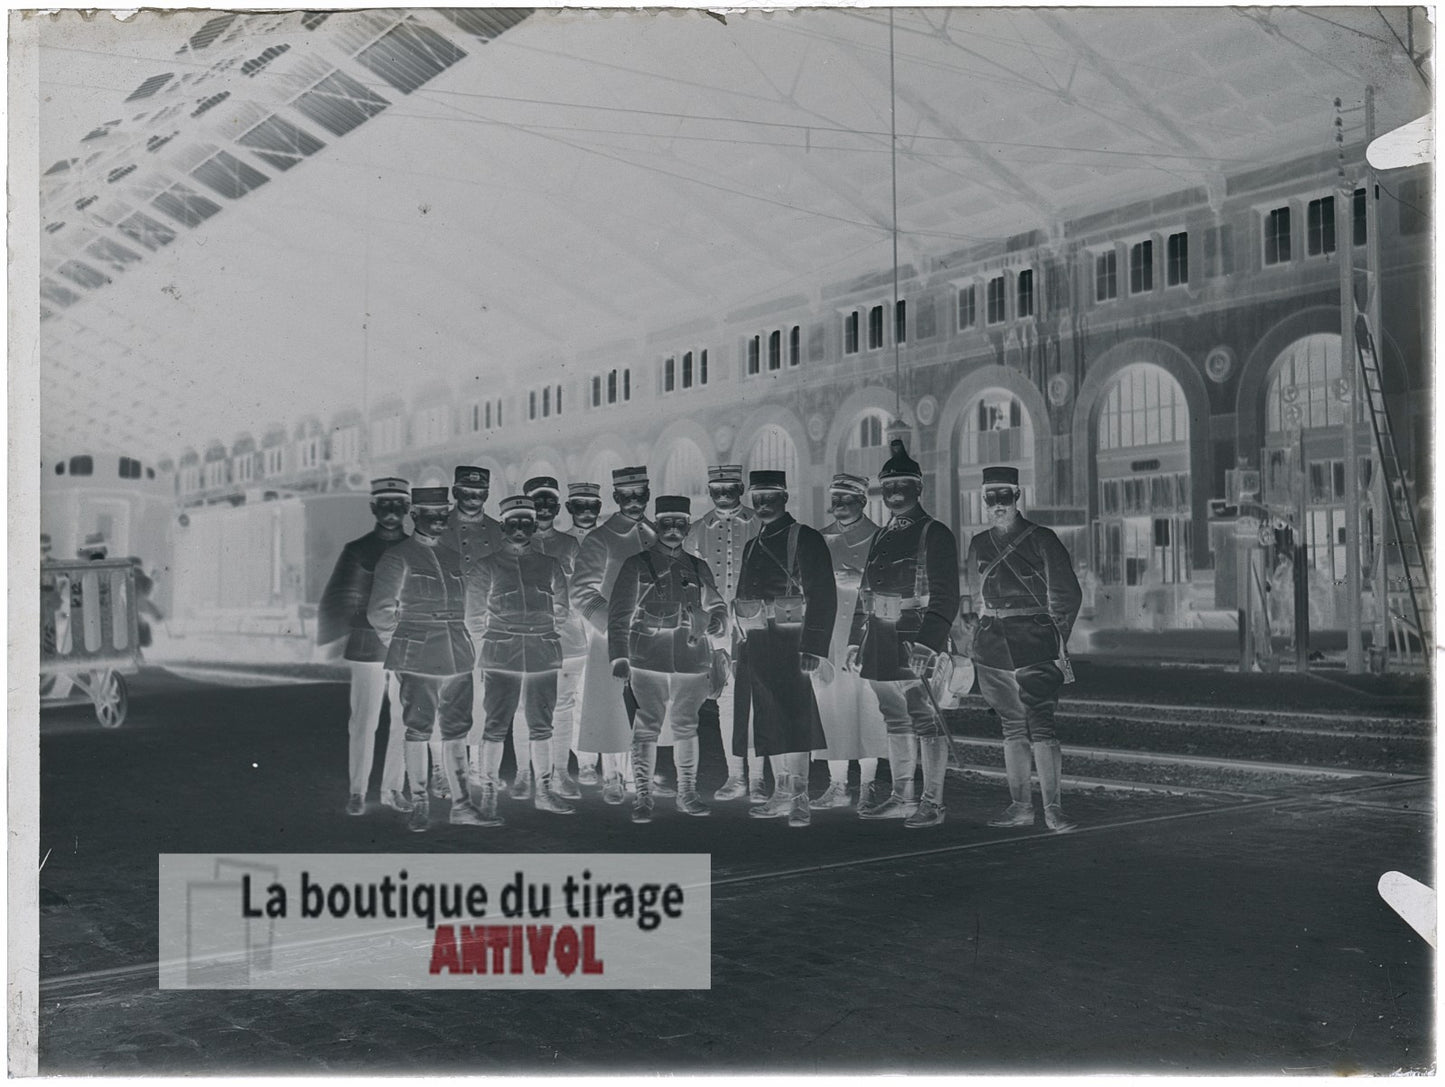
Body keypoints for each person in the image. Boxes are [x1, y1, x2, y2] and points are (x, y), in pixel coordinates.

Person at [959, 465, 1083, 833]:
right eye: (990, 498)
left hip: (1036, 642)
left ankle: (1054, 809)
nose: (997, 505)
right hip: (993, 645)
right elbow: (971, 596)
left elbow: (1068, 595)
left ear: (1017, 497)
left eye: (1004, 496)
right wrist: (972, 630)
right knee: (1012, 728)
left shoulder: (1042, 538)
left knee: (1042, 727)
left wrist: (1052, 635)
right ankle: (1019, 806)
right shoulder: (978, 544)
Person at [847, 437, 959, 829]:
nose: (894, 493)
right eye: (888, 487)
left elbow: (946, 598)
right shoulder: (882, 535)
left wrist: (929, 645)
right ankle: (900, 795)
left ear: (918, 488)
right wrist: (853, 640)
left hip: (914, 640)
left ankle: (933, 802)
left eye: (902, 486)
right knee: (893, 720)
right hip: (877, 639)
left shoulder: (935, 533)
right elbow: (864, 593)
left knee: (924, 718)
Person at [368, 486, 488, 831]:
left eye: (442, 514)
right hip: (416, 655)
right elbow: (379, 611)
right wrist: (404, 643)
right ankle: (420, 801)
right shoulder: (397, 556)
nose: (437, 520)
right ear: (414, 515)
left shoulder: (452, 557)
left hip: (457, 653)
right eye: (430, 514)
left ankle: (462, 803)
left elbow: (465, 608)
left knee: (457, 729)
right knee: (418, 729)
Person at [610, 496, 728, 822]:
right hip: (647, 658)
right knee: (646, 726)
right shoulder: (636, 564)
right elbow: (618, 615)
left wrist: (717, 621)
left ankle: (687, 793)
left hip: (691, 660)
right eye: (666, 523)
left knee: (687, 726)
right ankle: (643, 796)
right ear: (656, 524)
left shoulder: (698, 566)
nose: (673, 530)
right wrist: (619, 657)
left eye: (680, 524)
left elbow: (717, 606)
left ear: (688, 527)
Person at [733, 469, 836, 828]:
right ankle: (779, 791)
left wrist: (814, 646)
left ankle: (800, 796)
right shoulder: (752, 543)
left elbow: (823, 595)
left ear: (785, 497)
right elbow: (743, 593)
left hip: (793, 639)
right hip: (759, 638)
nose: (762, 503)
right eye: (757, 497)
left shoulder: (805, 538)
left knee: (795, 715)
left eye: (770, 496)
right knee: (767, 715)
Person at [467, 495, 574, 820]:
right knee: (496, 725)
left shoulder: (550, 565)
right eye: (512, 522)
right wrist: (507, 634)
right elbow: (474, 618)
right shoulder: (486, 566)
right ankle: (488, 794)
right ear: (503, 526)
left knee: (542, 724)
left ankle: (544, 791)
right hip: (502, 657)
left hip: (542, 654)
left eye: (525, 521)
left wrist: (536, 632)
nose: (519, 528)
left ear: (533, 524)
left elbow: (561, 611)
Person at [316, 476, 413, 816]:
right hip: (367, 642)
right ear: (373, 507)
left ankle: (393, 789)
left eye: (397, 503)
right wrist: (331, 638)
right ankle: (357, 791)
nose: (390, 510)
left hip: (405, 641)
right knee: (364, 719)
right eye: (384, 503)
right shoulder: (357, 550)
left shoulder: (416, 549)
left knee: (404, 717)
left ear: (407, 508)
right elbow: (338, 594)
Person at [572, 466, 657, 803]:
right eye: (626, 495)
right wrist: (615, 625)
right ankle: (612, 776)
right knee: (611, 707)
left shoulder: (655, 535)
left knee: (647, 705)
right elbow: (581, 591)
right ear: (616, 497)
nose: (634, 500)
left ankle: (641, 775)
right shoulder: (600, 538)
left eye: (640, 493)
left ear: (647, 494)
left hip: (653, 635)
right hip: (611, 637)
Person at [683, 463, 764, 802]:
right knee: (727, 700)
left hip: (756, 622)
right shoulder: (697, 530)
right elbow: (686, 581)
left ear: (741, 488)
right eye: (716, 489)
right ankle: (736, 776)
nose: (723, 494)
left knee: (759, 700)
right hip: (718, 626)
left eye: (730, 487)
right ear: (710, 491)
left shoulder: (761, 524)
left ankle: (759, 779)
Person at [812, 473, 890, 811]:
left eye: (848, 499)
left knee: (869, 710)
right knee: (832, 709)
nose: (841, 506)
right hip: (830, 636)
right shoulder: (818, 540)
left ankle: (869, 786)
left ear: (863, 500)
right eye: (836, 499)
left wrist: (861, 580)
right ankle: (837, 785)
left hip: (868, 634)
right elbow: (803, 585)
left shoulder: (881, 538)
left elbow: (893, 588)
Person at [438, 466, 504, 803]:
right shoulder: (438, 525)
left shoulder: (498, 531)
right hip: (445, 626)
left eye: (479, 493)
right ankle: (440, 769)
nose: (473, 498)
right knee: (446, 700)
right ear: (455, 492)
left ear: (487, 495)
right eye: (466, 492)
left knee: (483, 698)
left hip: (484, 627)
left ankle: (477, 765)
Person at [525, 476, 585, 800]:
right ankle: (528, 773)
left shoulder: (569, 545)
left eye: (550, 502)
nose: (544, 508)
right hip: (529, 637)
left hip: (567, 637)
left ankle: (561, 772)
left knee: (563, 706)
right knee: (529, 708)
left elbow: (581, 588)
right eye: (537, 500)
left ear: (559, 507)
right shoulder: (518, 543)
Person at [562, 482, 604, 782]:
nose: (587, 510)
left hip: (608, 623)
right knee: (580, 694)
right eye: (580, 504)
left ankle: (626, 767)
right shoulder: (564, 543)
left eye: (592, 504)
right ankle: (587, 761)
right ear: (569, 508)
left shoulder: (608, 537)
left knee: (617, 693)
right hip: (578, 627)